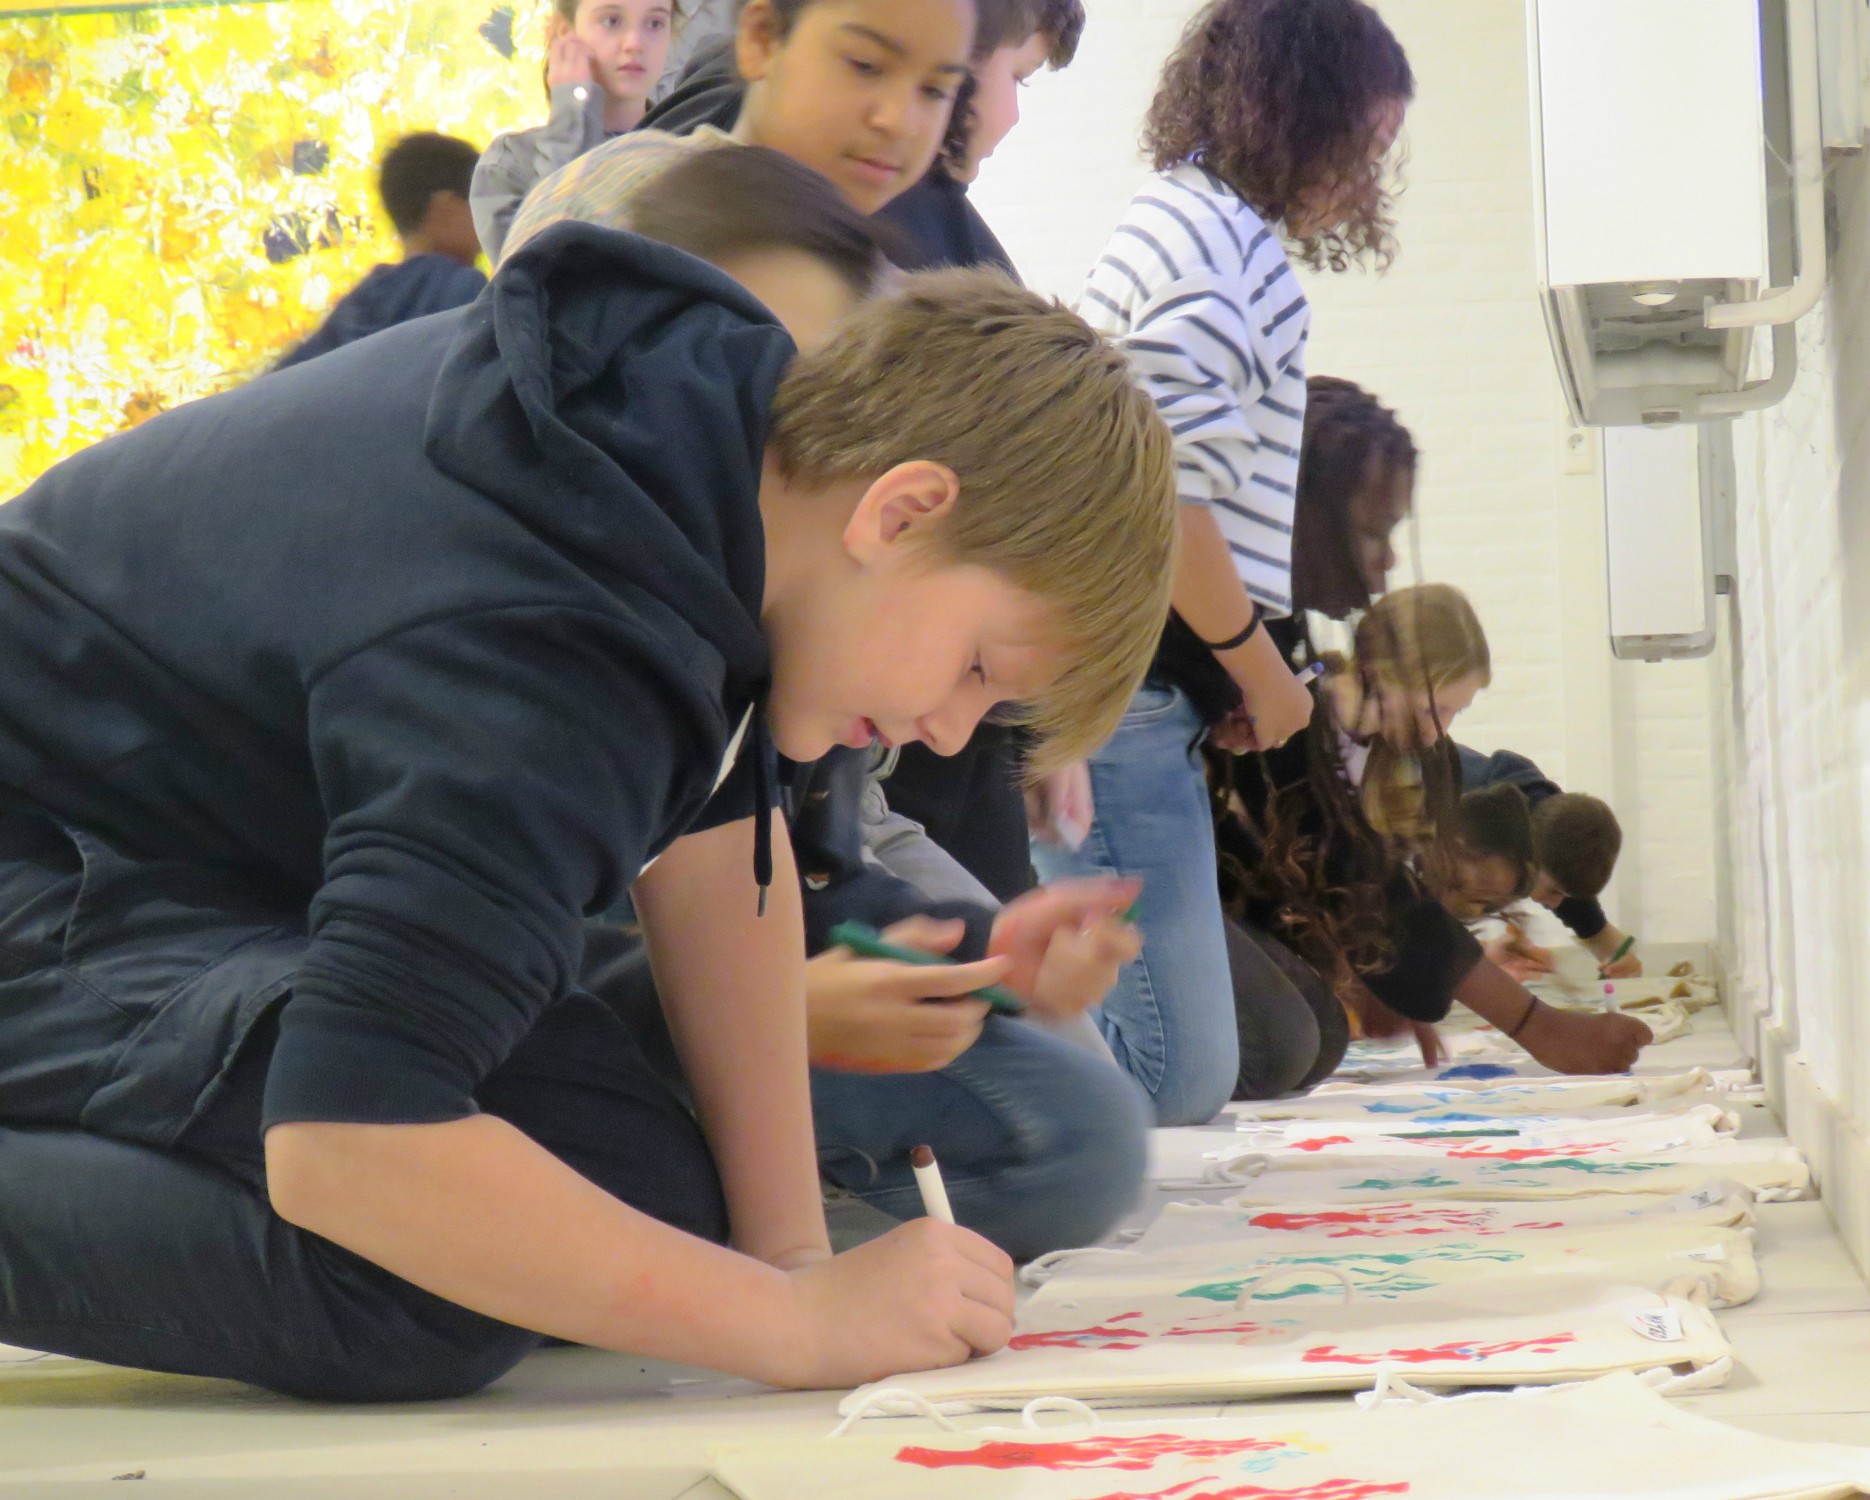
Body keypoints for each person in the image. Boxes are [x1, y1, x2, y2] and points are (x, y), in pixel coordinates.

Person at [0, 211, 1177, 1401]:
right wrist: (789, 1324)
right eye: (978, 669)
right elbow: (347, 1140)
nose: (950, 732)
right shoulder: (546, 634)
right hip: (43, 841)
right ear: (902, 512)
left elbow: (721, 852)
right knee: (425, 1286)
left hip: (173, 857)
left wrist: (789, 1256)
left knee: (630, 1183)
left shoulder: (715, 465)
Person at [584, 146, 1153, 1260]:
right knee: (479, 1272)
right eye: (976, 675)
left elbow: (803, 869)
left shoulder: (758, 658)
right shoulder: (613, 605)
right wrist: (773, 1025)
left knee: (1088, 1121)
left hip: (700, 976)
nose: (945, 731)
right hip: (494, 1002)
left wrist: (988, 953)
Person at [1035, 0, 1416, 1126]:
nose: (1364, 184)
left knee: (1204, 1058)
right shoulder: (1210, 255)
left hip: (1154, 691)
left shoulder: (1205, 234)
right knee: (1172, 1070)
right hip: (1119, 693)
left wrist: (1230, 676)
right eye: (1363, 151)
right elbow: (1167, 503)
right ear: (1299, 118)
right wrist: (1257, 670)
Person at [1210, 586, 1654, 1080]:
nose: (1438, 733)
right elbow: (1357, 881)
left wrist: (1400, 981)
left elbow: (1382, 895)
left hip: (1268, 921)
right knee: (1283, 1048)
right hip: (1212, 903)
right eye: (1433, 710)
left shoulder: (1417, 762)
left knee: (1323, 1040)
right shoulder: (1299, 728)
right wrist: (1538, 1025)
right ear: (1380, 671)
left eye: (1453, 715)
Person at [498, 0, 979, 265]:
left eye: (937, 91)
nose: (899, 121)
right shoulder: (606, 198)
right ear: (761, 39)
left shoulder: (893, 292)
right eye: (865, 65)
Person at [470, 0, 680, 261]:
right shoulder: (508, 164)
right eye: (611, 21)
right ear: (564, 30)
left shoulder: (691, 155)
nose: (635, 42)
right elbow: (540, 274)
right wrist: (572, 111)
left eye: (655, 23)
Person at [274, 133, 487, 371]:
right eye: (482, 205)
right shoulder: (461, 287)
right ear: (445, 208)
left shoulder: (359, 304)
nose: (490, 223)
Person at [1453, 744, 1641, 980]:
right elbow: (1414, 934)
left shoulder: (1551, 834)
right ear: (1527, 856)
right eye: (1554, 891)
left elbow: (1603, 939)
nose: (1555, 903)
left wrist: (1625, 962)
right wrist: (1482, 955)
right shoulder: (1459, 824)